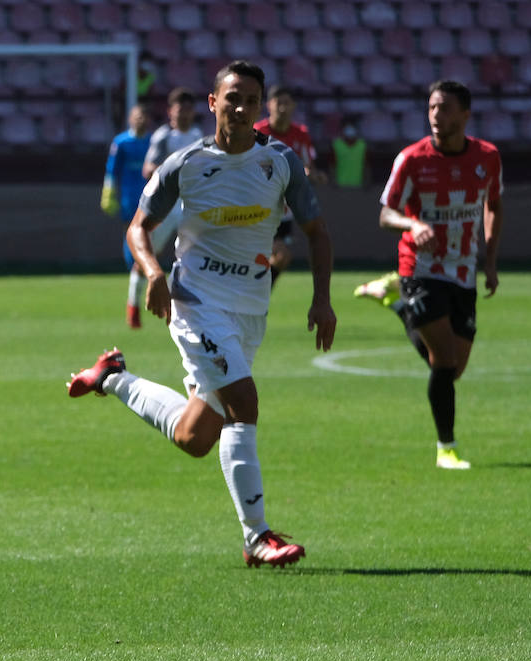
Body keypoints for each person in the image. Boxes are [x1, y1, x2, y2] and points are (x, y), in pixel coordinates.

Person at [68, 60, 336, 569]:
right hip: (195, 304)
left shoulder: (280, 162)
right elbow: (138, 228)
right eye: (231, 98)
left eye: (250, 100)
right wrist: (152, 273)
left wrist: (321, 299)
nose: (240, 108)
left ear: (260, 109)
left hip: (249, 310)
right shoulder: (185, 164)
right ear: (213, 103)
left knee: (195, 438)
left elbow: (317, 231)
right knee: (244, 403)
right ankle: (257, 538)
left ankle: (113, 379)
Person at [375, 80, 501, 470]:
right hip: (421, 268)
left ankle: (396, 303)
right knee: (444, 362)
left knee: (453, 368)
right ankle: (446, 446)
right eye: (431, 107)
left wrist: (491, 261)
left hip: (462, 270)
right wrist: (412, 225)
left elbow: (493, 204)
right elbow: (385, 214)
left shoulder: (487, 157)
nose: (435, 115)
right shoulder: (412, 159)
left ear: (465, 114)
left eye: (444, 108)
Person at [254, 85, 322, 288]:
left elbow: (309, 166)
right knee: (277, 253)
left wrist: (314, 174)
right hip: (259, 203)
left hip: (284, 208)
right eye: (278, 102)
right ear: (269, 105)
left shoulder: (301, 134)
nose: (282, 108)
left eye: (287, 103)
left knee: (282, 258)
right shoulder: (258, 132)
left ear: (293, 106)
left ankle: (258, 293)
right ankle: (256, 293)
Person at [141, 87, 205, 285]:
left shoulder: (198, 136)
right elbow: (148, 169)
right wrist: (170, 172)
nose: (184, 114)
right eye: (180, 109)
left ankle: (186, 302)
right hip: (167, 204)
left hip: (190, 203)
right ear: (170, 111)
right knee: (151, 253)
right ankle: (133, 305)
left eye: (188, 109)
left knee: (194, 255)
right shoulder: (163, 136)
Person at [101, 104, 153, 328]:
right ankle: (136, 266)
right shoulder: (121, 142)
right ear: (131, 119)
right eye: (137, 116)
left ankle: (140, 268)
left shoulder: (153, 142)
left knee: (148, 236)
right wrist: (108, 193)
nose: (140, 120)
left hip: (151, 198)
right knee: (131, 236)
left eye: (144, 116)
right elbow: (112, 170)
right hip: (129, 199)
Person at [331, 117, 368, 189]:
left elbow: (367, 166)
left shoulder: (362, 145)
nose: (349, 129)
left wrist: (366, 183)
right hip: (340, 186)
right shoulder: (336, 145)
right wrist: (333, 182)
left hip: (358, 187)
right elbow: (332, 166)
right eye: (347, 127)